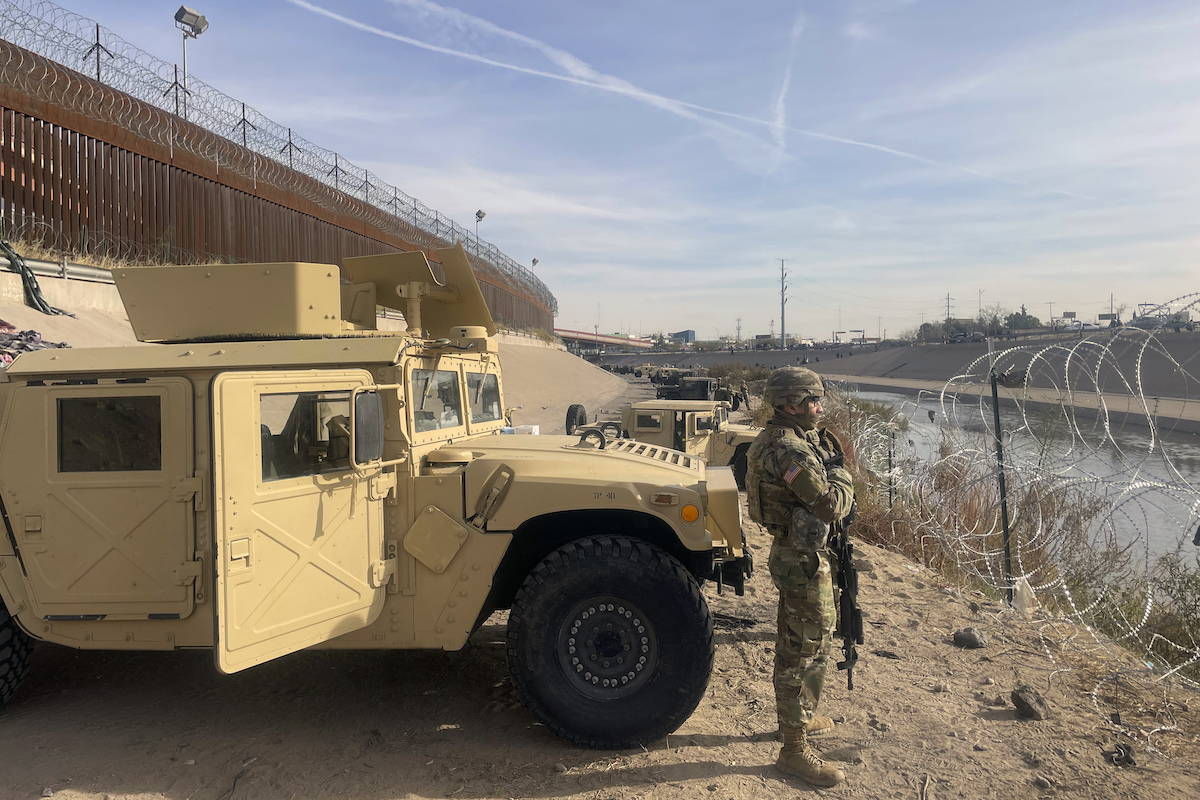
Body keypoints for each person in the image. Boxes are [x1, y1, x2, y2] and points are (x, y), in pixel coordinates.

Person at [745, 367, 855, 787]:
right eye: (812, 400)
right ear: (790, 404)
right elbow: (829, 505)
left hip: (799, 555)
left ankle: (800, 718)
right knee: (804, 650)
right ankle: (793, 749)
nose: (819, 407)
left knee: (805, 640)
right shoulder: (789, 450)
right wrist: (843, 474)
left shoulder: (785, 439)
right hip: (802, 559)